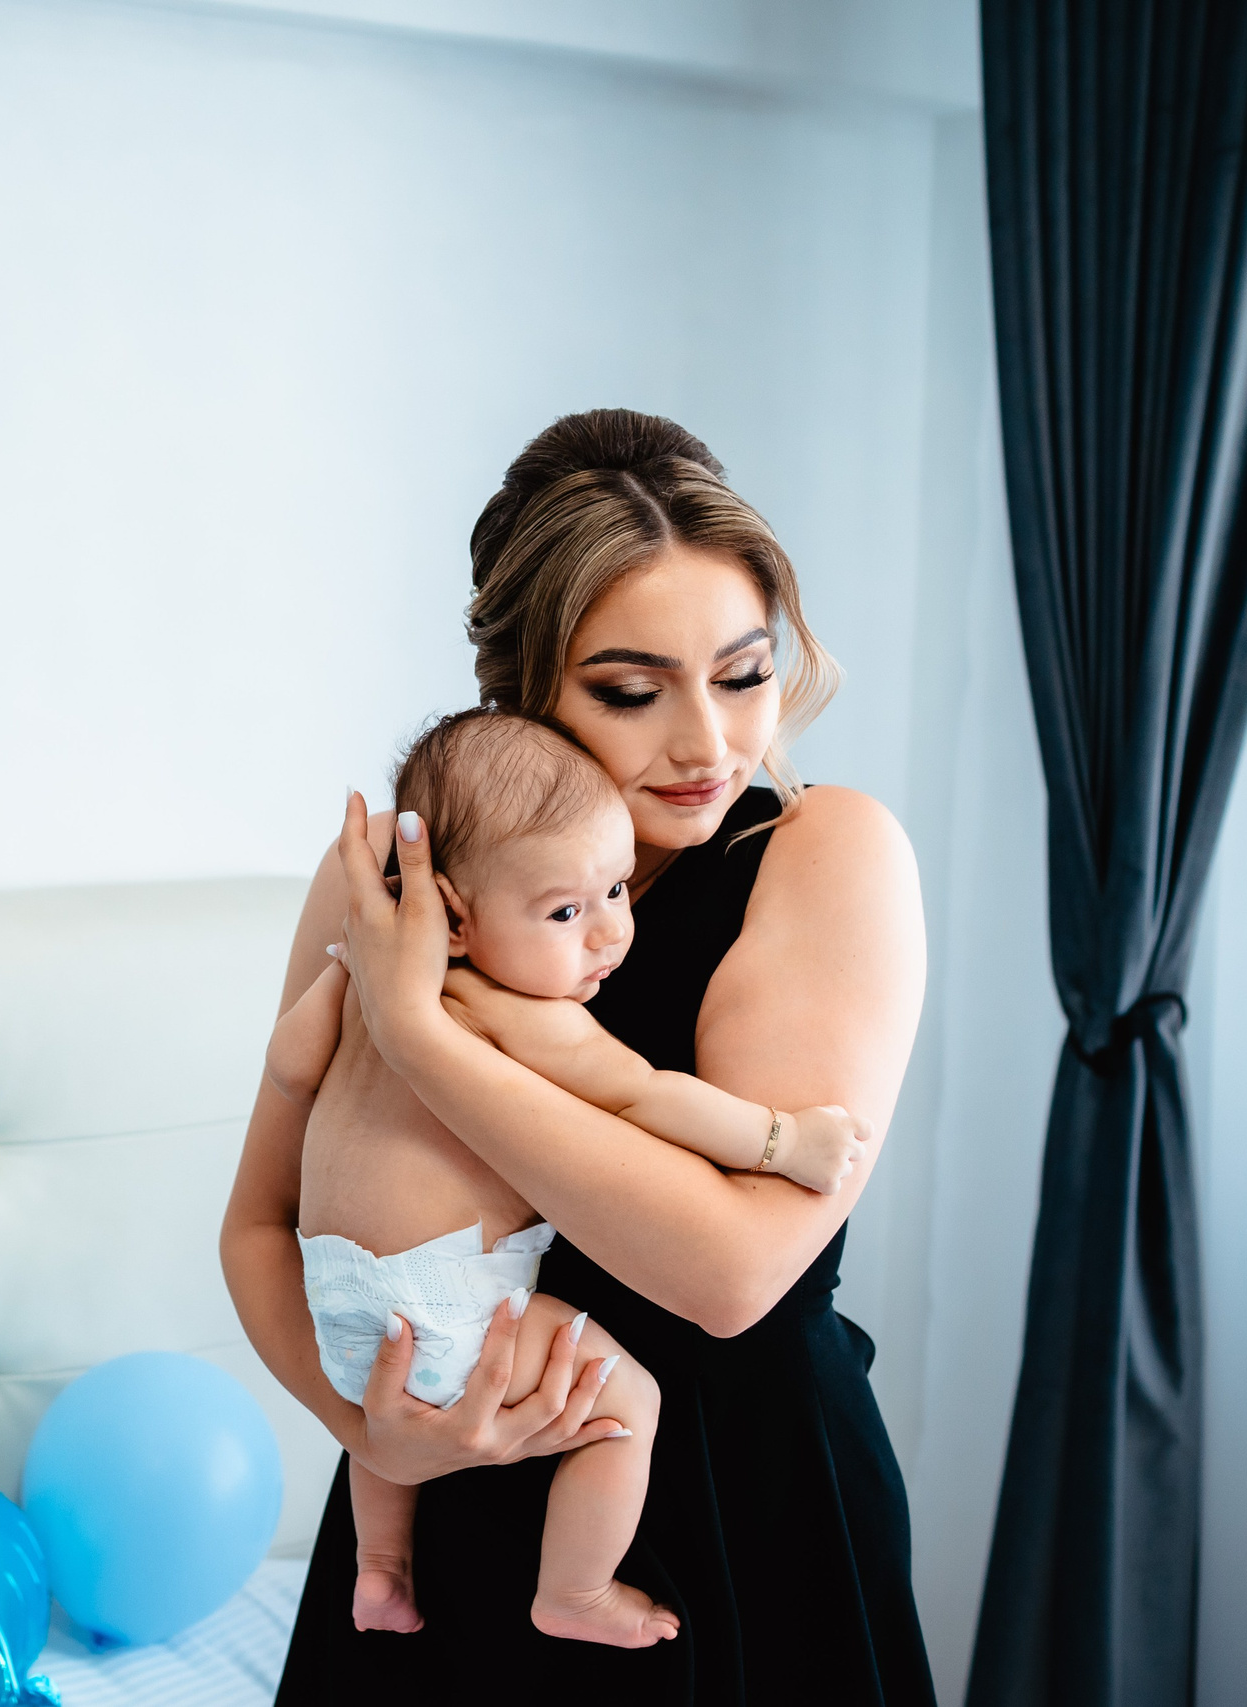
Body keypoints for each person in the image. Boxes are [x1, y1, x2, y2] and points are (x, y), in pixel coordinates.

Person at [222, 409, 933, 1702]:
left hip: (740, 1500)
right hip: (447, 1497)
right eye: (630, 688)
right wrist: (374, 1430)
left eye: (743, 671)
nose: (708, 741)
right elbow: (267, 1225)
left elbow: (729, 1271)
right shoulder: (391, 880)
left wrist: (426, 1036)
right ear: (520, 689)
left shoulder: (826, 856)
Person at [272, 707, 873, 1651]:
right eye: (565, 911)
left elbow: (289, 1065)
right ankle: (576, 1589)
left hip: (337, 1301)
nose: (609, 936)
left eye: (618, 891)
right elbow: (646, 1097)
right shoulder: (524, 1014)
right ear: (459, 920)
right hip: (453, 1304)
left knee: (386, 1420)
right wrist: (780, 1140)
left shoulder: (364, 973)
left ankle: (381, 1564)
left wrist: (355, 995)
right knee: (628, 1407)